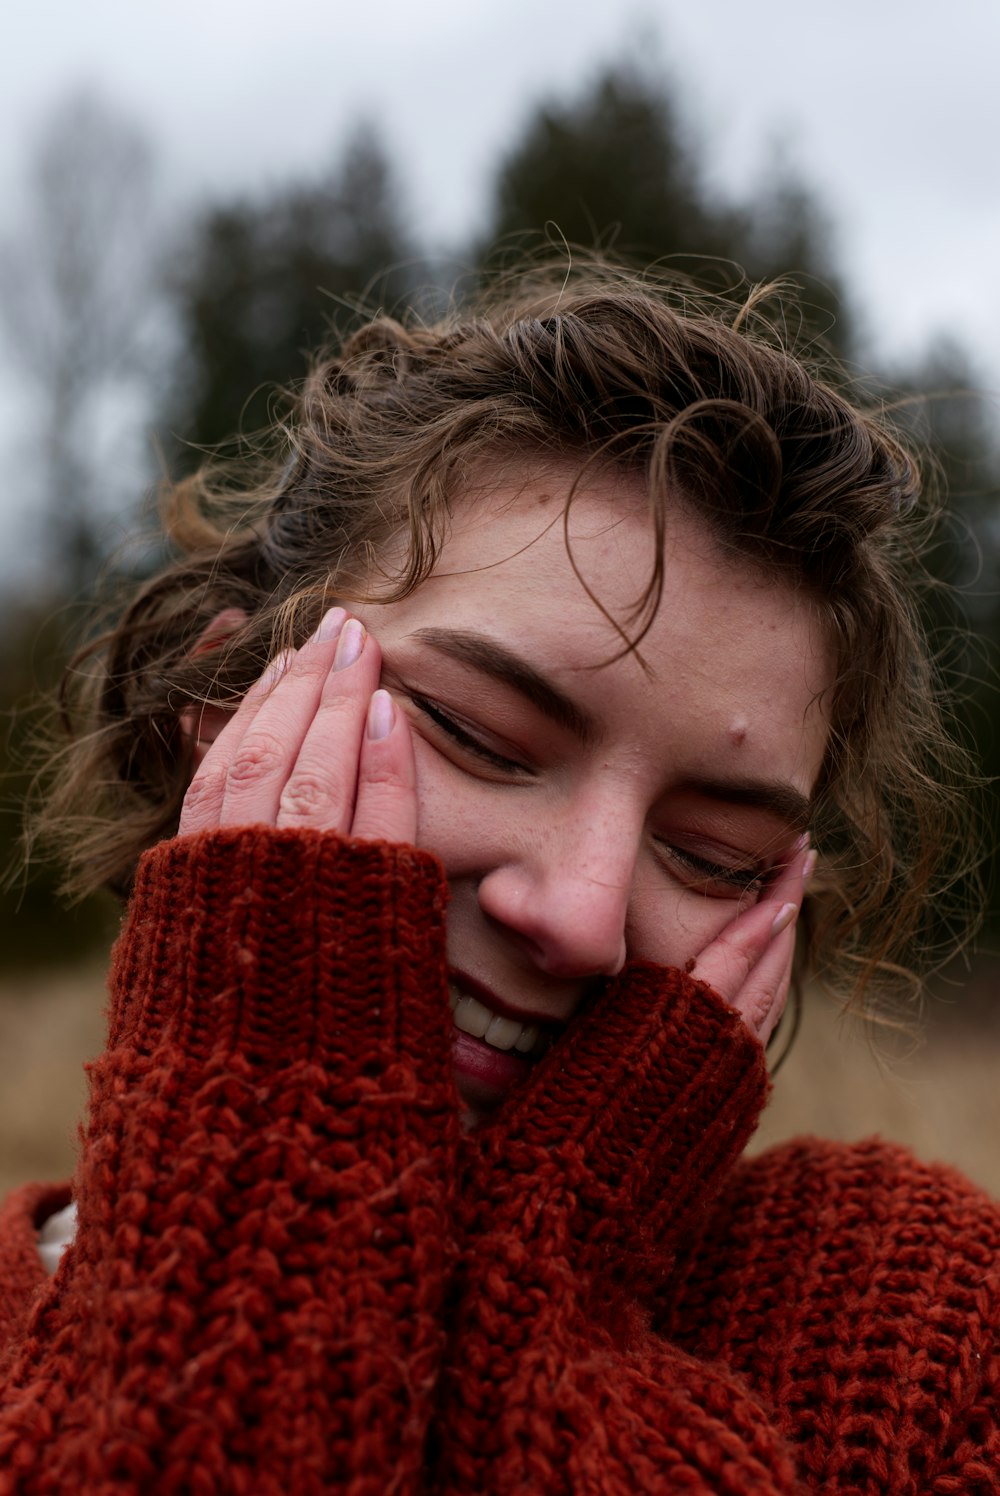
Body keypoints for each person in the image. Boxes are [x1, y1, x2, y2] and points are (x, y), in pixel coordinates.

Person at [0, 262, 997, 1494]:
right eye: (476, 733)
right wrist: (262, 1218)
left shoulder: (923, 1326)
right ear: (225, 705)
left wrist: (549, 1288)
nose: (577, 916)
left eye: (711, 854)